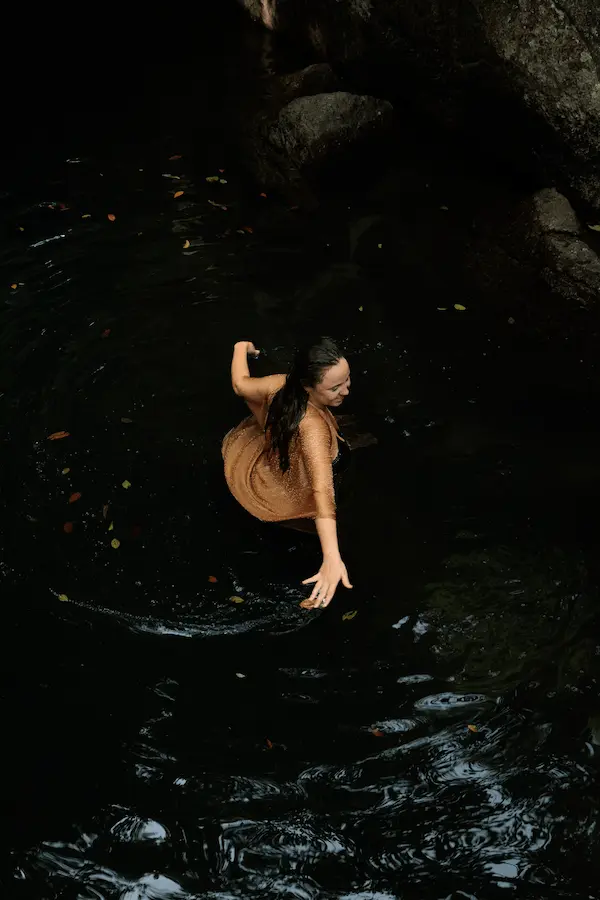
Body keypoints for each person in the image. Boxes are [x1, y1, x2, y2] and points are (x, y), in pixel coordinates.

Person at [222, 337, 353, 609]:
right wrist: (331, 555)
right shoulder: (313, 430)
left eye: (348, 380)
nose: (346, 391)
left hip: (273, 466)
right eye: (335, 388)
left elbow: (240, 385)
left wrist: (239, 348)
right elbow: (321, 490)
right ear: (308, 386)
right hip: (291, 498)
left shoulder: (280, 383)